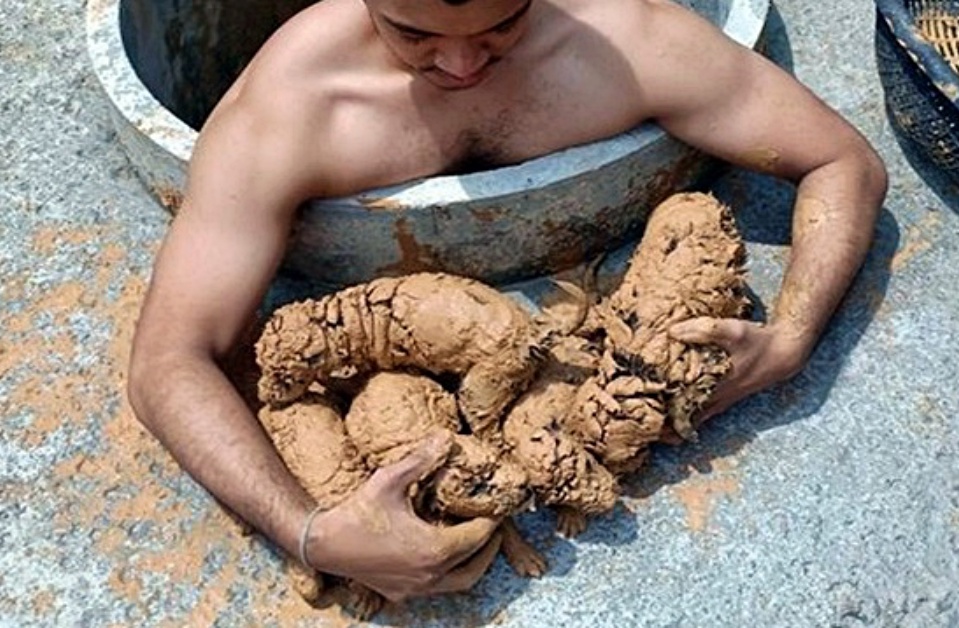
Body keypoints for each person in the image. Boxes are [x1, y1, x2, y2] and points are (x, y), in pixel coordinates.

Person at [127, 0, 887, 604]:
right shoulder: (294, 105)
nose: (460, 63)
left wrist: (790, 338)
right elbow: (168, 360)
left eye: (502, 25)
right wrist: (314, 534)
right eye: (413, 31)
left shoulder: (627, 37)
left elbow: (841, 160)